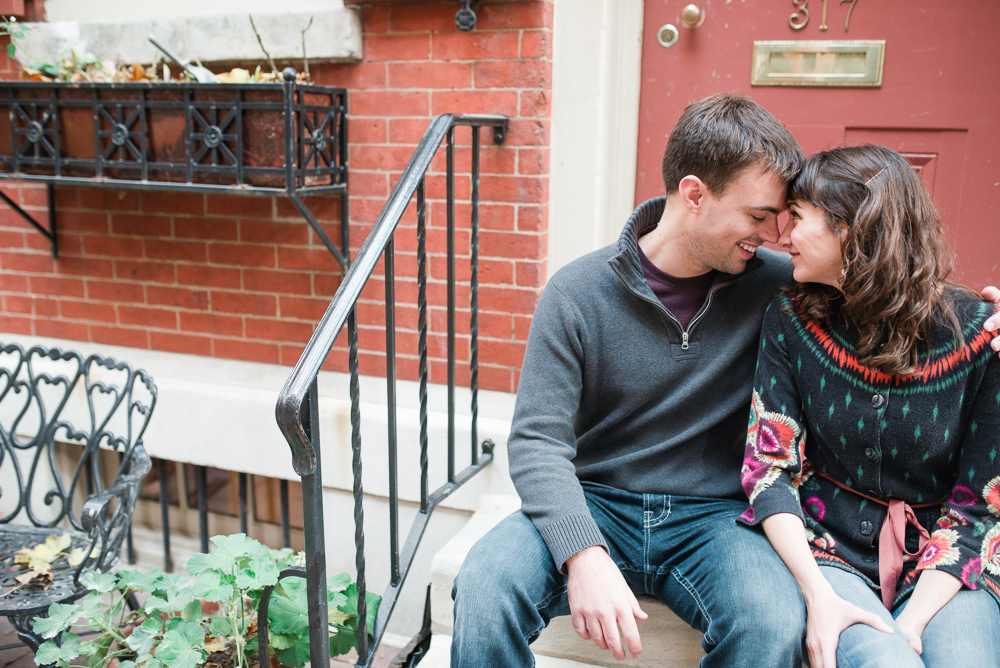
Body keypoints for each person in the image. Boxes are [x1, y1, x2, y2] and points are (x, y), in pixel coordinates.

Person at [451, 94, 1000, 667]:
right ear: (694, 195)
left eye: (784, 219)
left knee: (772, 621)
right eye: (759, 215)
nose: (774, 235)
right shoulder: (577, 293)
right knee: (487, 587)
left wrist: (987, 318)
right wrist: (582, 553)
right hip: (597, 504)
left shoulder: (783, 285)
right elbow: (538, 444)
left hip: (715, 517)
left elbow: (883, 283)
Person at [741, 144, 1000, 668]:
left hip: (950, 556)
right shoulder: (791, 319)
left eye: (798, 218)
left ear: (853, 229)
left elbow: (982, 503)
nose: (781, 236)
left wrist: (911, 622)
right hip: (826, 547)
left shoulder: (981, 337)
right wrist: (818, 594)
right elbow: (768, 470)